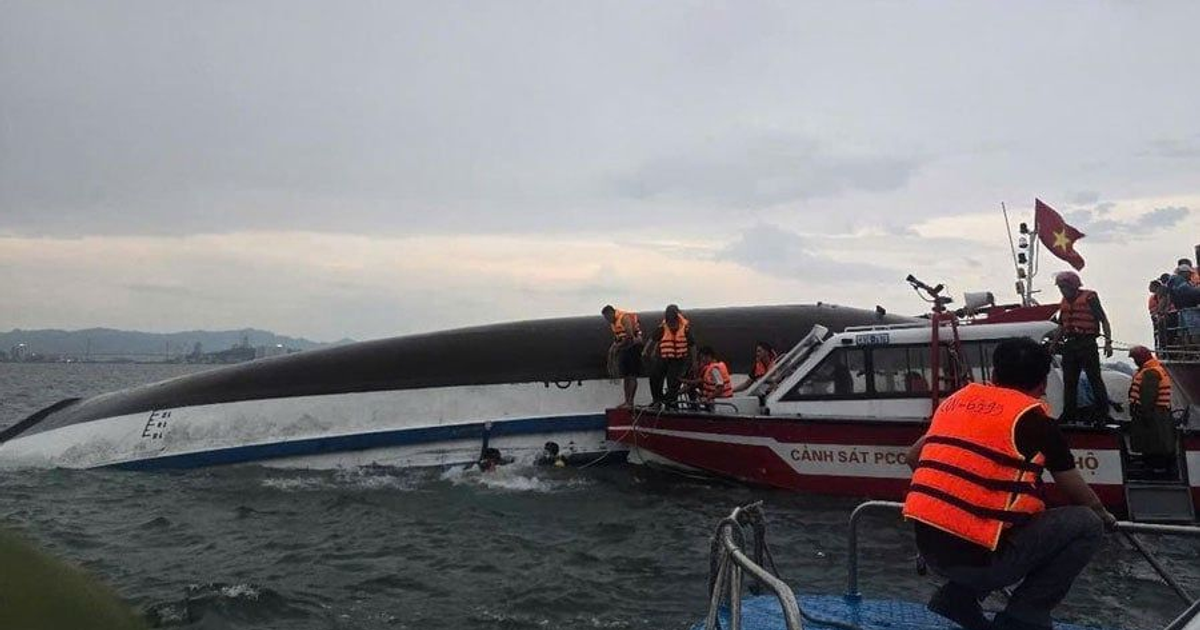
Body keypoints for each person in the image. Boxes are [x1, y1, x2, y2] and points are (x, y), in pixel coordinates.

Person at [903, 338, 1116, 630]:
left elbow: (913, 457)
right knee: (1087, 523)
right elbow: (1078, 493)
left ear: (993, 374)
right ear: (1042, 384)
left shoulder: (955, 403)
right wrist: (1105, 516)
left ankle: (957, 598)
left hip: (929, 550)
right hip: (981, 564)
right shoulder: (1035, 421)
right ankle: (1024, 617)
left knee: (996, 524)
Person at [1047, 271, 1113, 425]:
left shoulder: (1089, 298)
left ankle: (1102, 413)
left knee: (1094, 378)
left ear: (1074, 286)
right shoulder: (1064, 302)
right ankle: (1069, 412)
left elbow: (1103, 320)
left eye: (1065, 287)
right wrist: (1053, 344)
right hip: (1070, 344)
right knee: (1069, 380)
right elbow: (1062, 326)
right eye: (1061, 287)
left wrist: (1108, 342)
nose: (1063, 290)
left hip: (1087, 343)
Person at [1128, 346, 1176, 472]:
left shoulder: (1150, 372)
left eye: (1135, 358)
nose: (1134, 361)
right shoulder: (1154, 369)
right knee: (1155, 440)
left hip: (1154, 413)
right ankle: (1155, 463)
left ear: (1140, 358)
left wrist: (1145, 415)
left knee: (1153, 441)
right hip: (1156, 412)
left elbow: (1148, 397)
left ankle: (1156, 466)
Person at [647, 304, 694, 407]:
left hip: (679, 359)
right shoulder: (663, 327)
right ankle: (658, 400)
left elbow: (692, 345)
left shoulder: (684, 328)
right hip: (665, 358)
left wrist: (694, 362)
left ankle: (670, 402)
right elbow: (654, 340)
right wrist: (647, 352)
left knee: (672, 380)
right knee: (655, 376)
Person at [602, 305, 644, 408]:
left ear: (611, 313)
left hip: (633, 346)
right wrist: (613, 347)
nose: (607, 320)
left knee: (632, 375)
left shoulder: (623, 317)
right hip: (625, 348)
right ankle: (626, 401)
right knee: (626, 376)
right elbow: (618, 337)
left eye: (607, 317)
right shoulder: (613, 323)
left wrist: (618, 346)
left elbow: (629, 335)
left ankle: (631, 402)